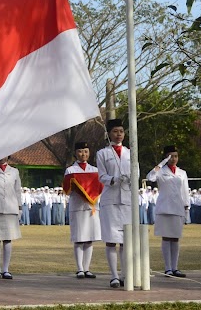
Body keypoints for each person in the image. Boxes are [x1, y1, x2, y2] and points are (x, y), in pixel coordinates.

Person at [97, 118, 131, 288]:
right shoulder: (103, 153)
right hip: (110, 199)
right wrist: (114, 179)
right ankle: (114, 275)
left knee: (126, 240)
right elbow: (102, 176)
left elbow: (136, 172)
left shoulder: (130, 153)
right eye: (115, 132)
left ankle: (126, 274)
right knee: (111, 239)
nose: (119, 135)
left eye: (121, 131)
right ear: (109, 134)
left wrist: (130, 178)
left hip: (126, 200)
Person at [146, 145, 190, 278]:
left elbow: (185, 191)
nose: (173, 159)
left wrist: (186, 207)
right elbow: (150, 177)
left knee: (175, 238)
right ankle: (167, 268)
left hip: (177, 207)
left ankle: (175, 267)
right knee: (166, 237)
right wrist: (161, 164)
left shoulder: (182, 173)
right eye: (170, 156)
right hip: (164, 207)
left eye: (176, 156)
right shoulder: (160, 171)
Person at [63, 142, 102, 279]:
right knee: (79, 238)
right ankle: (79, 268)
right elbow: (66, 189)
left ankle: (87, 268)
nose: (83, 154)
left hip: (91, 208)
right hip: (78, 207)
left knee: (89, 238)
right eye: (80, 151)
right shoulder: (70, 170)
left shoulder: (95, 170)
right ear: (75, 153)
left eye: (86, 151)